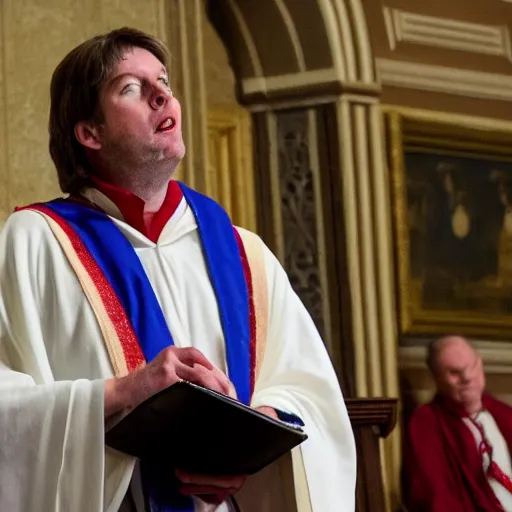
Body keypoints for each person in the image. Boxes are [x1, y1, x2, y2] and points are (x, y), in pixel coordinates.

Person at [0, 27, 356, 512]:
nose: (162, 94)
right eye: (131, 87)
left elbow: (313, 397)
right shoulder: (34, 244)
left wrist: (248, 446)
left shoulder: (243, 255)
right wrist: (126, 390)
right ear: (89, 133)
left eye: (163, 81)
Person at [403, 335, 512, 511]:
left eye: (472, 366)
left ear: (481, 363)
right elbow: (434, 497)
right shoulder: (426, 424)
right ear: (436, 379)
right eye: (454, 372)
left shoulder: (503, 414)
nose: (467, 377)